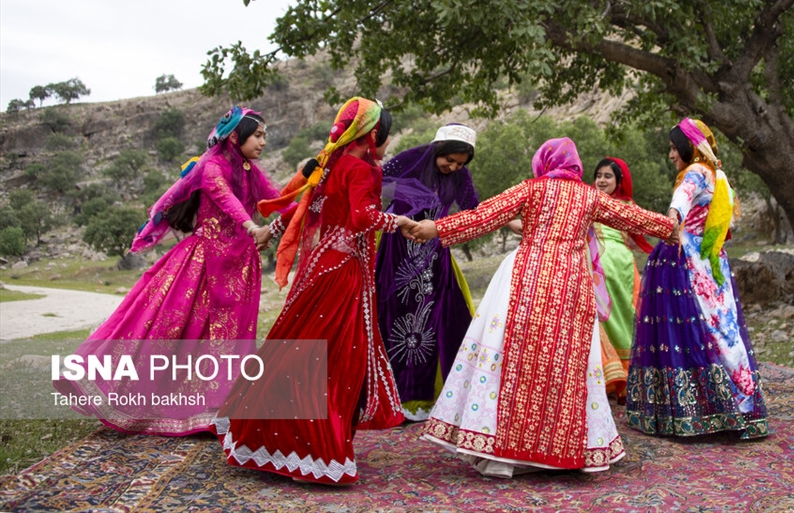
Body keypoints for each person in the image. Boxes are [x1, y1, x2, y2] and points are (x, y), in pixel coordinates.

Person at [407, 138, 677, 477]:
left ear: (544, 163)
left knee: (519, 364)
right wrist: (670, 228)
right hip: (571, 285)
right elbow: (632, 216)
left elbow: (483, 216)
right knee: (564, 366)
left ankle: (509, 451)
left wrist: (435, 228)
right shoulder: (589, 196)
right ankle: (562, 449)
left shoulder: (531, 189)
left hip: (527, 280)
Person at [212, 97, 415, 485]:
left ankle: (272, 438)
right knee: (339, 361)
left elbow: (301, 207)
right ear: (373, 135)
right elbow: (363, 218)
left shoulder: (328, 164)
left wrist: (267, 232)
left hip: (321, 267)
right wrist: (399, 221)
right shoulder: (361, 170)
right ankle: (316, 449)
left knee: (297, 349)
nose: (387, 144)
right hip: (344, 275)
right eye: (385, 136)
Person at [52, 106, 282, 435]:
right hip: (203, 262)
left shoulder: (249, 171)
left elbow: (276, 200)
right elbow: (224, 197)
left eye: (265, 136)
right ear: (235, 136)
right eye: (257, 135)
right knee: (174, 328)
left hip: (239, 264)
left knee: (229, 337)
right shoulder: (212, 166)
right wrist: (252, 227)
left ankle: (219, 408)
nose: (263, 142)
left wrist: (310, 199)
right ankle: (151, 401)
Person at [625, 118, 770, 439]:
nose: (671, 155)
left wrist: (670, 222)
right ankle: (738, 404)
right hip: (712, 260)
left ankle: (698, 409)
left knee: (689, 331)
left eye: (675, 148)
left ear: (690, 147)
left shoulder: (695, 174)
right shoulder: (719, 176)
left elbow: (680, 203)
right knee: (721, 329)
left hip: (686, 261)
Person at [376, 123, 479, 421]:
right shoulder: (411, 159)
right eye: (450, 160)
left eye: (460, 163)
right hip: (398, 252)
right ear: (439, 150)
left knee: (439, 319)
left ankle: (429, 397)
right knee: (394, 314)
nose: (453, 167)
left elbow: (473, 207)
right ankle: (392, 396)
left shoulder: (460, 175)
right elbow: (374, 182)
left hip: (434, 255)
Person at [590, 157, 655, 402]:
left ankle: (629, 377)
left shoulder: (626, 205)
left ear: (619, 181)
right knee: (600, 320)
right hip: (594, 268)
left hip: (620, 269)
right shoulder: (589, 201)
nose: (602, 180)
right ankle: (611, 377)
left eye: (608, 176)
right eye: (599, 175)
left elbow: (648, 224)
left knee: (625, 317)